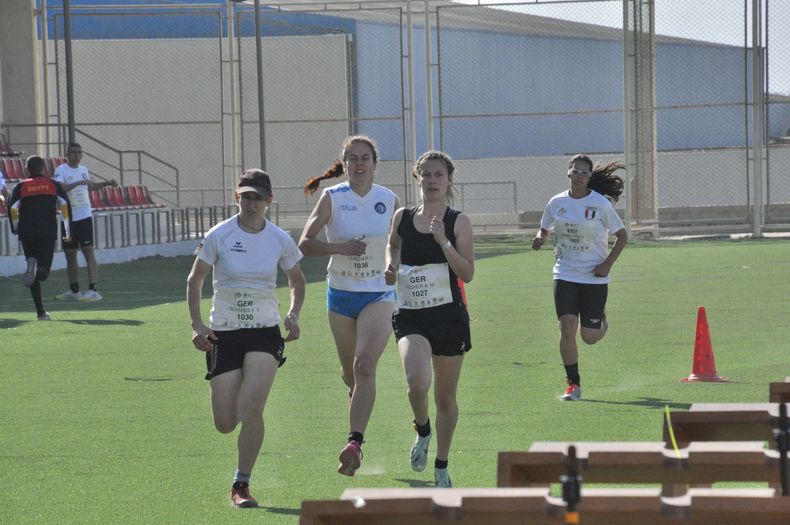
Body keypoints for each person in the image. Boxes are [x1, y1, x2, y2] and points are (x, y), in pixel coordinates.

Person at [187, 169, 305, 508]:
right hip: (224, 331)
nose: (251, 203)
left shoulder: (279, 239)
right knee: (225, 423)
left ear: (269, 200)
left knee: (253, 405)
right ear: (236, 197)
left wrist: (294, 313)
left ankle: (242, 483)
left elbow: (296, 280)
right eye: (245, 196)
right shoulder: (218, 235)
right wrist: (197, 325)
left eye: (257, 197)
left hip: (265, 332)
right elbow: (195, 280)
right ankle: (238, 395)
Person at [298, 135, 399, 477]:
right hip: (341, 295)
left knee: (364, 366)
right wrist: (338, 248)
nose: (359, 163)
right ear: (344, 163)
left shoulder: (389, 199)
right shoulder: (332, 198)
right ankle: (356, 406)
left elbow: (396, 245)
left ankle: (354, 443)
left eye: (365, 158)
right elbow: (306, 244)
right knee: (350, 376)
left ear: (374, 163)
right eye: (352, 158)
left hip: (378, 293)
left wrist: (393, 265)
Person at [384, 151, 474, 488]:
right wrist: (390, 266)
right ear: (416, 178)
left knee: (445, 398)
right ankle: (422, 430)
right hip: (411, 316)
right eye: (426, 175)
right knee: (417, 382)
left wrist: (444, 243)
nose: (432, 181)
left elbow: (468, 271)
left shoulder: (458, 221)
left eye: (439, 175)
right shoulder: (402, 217)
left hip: (448, 317)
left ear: (449, 180)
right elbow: (392, 247)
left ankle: (441, 464)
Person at [532, 154, 627, 401]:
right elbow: (545, 226)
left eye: (585, 173)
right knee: (567, 327)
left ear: (589, 177)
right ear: (569, 173)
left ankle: (601, 320)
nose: (580, 176)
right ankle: (573, 385)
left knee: (589, 337)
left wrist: (607, 264)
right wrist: (540, 238)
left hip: (594, 276)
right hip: (564, 273)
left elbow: (622, 236)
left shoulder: (601, 205)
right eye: (576, 171)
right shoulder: (557, 202)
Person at [8, 155, 72, 320]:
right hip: (47, 231)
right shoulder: (53, 185)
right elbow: (65, 205)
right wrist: (67, 230)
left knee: (32, 265)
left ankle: (40, 312)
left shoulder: (20, 186)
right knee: (43, 272)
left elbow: (13, 208)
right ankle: (37, 270)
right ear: (44, 168)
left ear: (26, 169)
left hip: (27, 232)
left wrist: (15, 227)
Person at [53, 142, 117, 302]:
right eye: (73, 152)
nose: (77, 155)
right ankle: (74, 290)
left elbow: (90, 187)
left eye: (79, 152)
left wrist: (107, 184)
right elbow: (60, 189)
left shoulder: (83, 170)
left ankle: (93, 289)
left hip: (84, 216)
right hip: (67, 217)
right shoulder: (61, 170)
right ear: (67, 154)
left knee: (88, 249)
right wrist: (79, 183)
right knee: (70, 253)